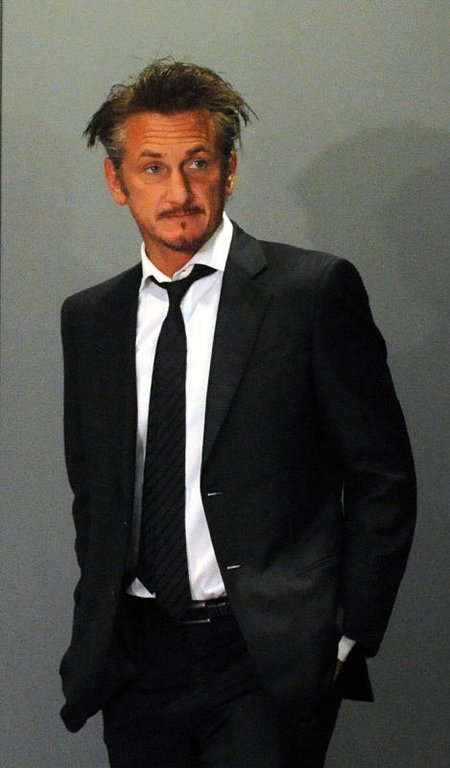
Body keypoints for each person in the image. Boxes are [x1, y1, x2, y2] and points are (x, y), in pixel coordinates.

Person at [59, 59, 416, 767]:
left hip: (265, 657)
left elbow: (382, 476)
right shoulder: (91, 318)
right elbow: (95, 493)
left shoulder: (311, 292)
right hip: (136, 658)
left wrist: (346, 634)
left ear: (229, 170)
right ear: (117, 182)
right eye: (153, 168)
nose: (179, 191)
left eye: (197, 163)